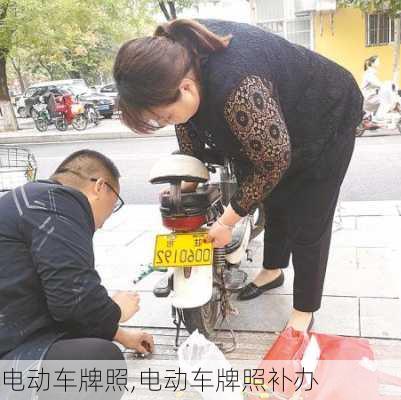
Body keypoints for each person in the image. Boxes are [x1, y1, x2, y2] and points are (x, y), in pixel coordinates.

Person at [113, 19, 363, 332]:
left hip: (324, 112)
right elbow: (187, 129)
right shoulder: (174, 67)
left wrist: (225, 222)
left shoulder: (237, 85)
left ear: (186, 88)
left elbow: (272, 162)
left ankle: (304, 309)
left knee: (309, 218)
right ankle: (273, 270)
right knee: (274, 197)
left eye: (164, 116)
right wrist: (187, 179)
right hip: (274, 121)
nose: (166, 122)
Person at [0, 150, 154, 397]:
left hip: (14, 337)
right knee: (99, 363)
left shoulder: (34, 200)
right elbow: (73, 301)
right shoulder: (58, 202)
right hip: (9, 355)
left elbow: (62, 301)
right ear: (101, 187)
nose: (104, 222)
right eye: (114, 204)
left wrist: (122, 336)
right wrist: (117, 311)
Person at [361, 55, 396, 123]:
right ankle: (379, 117)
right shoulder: (369, 74)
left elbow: (378, 84)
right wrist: (388, 84)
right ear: (372, 63)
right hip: (368, 97)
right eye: (378, 61)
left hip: (370, 95)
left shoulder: (372, 72)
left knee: (382, 99)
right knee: (385, 101)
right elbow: (378, 84)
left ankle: (374, 116)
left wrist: (388, 83)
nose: (379, 63)